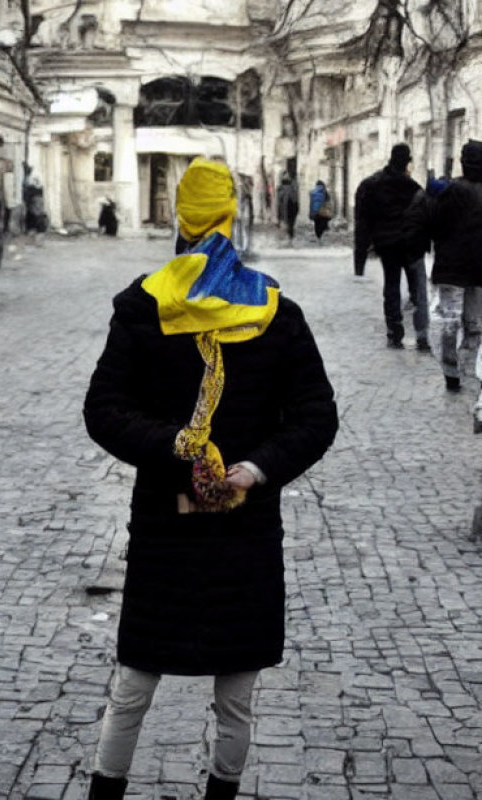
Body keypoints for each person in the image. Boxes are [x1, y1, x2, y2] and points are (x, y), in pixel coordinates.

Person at [83, 157, 338, 800]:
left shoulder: (145, 305)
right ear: (233, 217)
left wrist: (174, 447)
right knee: (237, 696)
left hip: (165, 527)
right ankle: (221, 794)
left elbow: (105, 411)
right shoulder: (277, 312)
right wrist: (254, 471)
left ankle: (104, 790)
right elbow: (316, 417)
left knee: (133, 686)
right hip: (246, 526)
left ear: (180, 219)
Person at [407, 140, 482, 431]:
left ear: (463, 162)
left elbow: (426, 219)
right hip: (479, 270)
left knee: (450, 321)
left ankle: (452, 373)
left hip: (451, 267)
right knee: (474, 324)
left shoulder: (448, 190)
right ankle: (468, 369)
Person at [354, 143, 430, 350]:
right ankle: (422, 336)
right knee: (419, 291)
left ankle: (394, 334)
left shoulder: (371, 185)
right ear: (407, 162)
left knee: (392, 287)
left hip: (387, 245)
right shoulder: (413, 188)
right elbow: (426, 218)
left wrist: (359, 260)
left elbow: (362, 222)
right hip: (413, 246)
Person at [276, 172, 299, 243]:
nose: (287, 177)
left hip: (290, 206)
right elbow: (279, 200)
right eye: (285, 176)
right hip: (288, 206)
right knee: (290, 222)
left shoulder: (289, 186)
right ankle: (289, 236)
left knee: (289, 222)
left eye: (287, 176)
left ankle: (289, 236)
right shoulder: (282, 187)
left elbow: (295, 197)